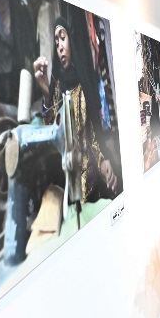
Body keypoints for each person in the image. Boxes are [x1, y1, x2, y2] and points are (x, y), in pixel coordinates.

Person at [33, 17, 117, 203]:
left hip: (91, 179)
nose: (60, 47)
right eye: (56, 42)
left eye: (62, 38)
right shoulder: (57, 88)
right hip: (66, 183)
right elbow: (52, 136)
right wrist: (46, 94)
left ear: (71, 40)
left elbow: (93, 134)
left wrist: (103, 161)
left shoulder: (84, 83)